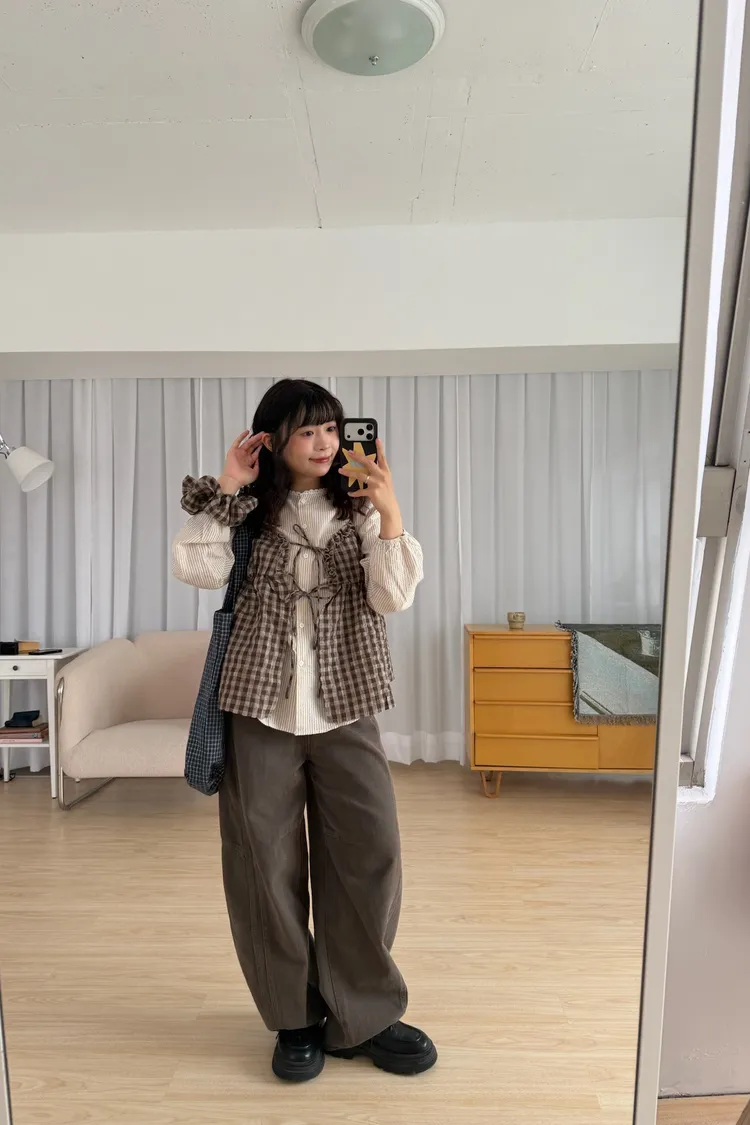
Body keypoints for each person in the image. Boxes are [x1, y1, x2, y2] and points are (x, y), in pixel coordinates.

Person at [172, 379, 436, 1083]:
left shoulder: (361, 510)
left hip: (348, 705)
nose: (323, 443)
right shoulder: (246, 513)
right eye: (306, 431)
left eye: (331, 429)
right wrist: (230, 485)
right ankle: (293, 1016)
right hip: (259, 706)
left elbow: (394, 596)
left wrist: (389, 509)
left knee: (370, 854)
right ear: (274, 440)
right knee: (263, 865)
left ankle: (363, 1014)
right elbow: (196, 569)